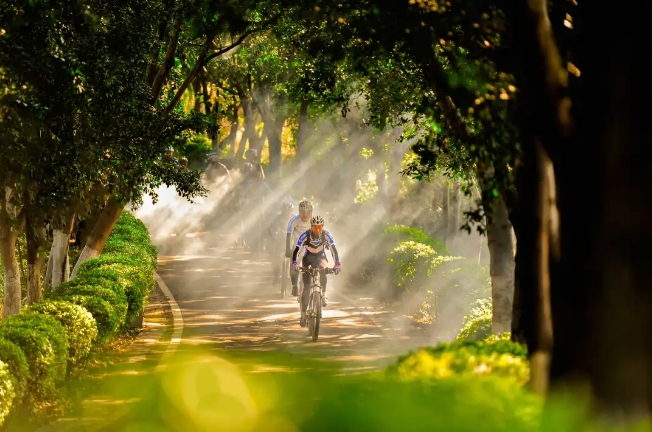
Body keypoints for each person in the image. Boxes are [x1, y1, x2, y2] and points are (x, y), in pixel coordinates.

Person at [291, 215, 341, 327]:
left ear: (322, 227)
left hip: (320, 257)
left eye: (319, 227)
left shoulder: (326, 234)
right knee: (307, 288)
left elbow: (333, 250)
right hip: (307, 259)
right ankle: (303, 315)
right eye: (315, 227)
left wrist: (337, 263)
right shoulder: (305, 235)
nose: (317, 230)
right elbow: (297, 250)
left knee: (324, 268)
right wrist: (295, 263)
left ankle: (323, 294)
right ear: (311, 226)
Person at [285, 200, 313, 296]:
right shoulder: (293, 220)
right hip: (297, 245)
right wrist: (288, 249)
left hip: (310, 246)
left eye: (307, 213)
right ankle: (294, 286)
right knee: (294, 262)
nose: (305, 216)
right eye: (302, 213)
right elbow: (289, 235)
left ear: (311, 213)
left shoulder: (314, 220)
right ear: (299, 212)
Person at [265, 201, 295, 284]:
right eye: (285, 212)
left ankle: (294, 276)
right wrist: (273, 235)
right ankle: (276, 275)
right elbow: (272, 228)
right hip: (281, 239)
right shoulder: (278, 218)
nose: (287, 214)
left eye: (289, 212)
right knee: (275, 257)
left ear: (292, 212)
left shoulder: (295, 218)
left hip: (292, 240)